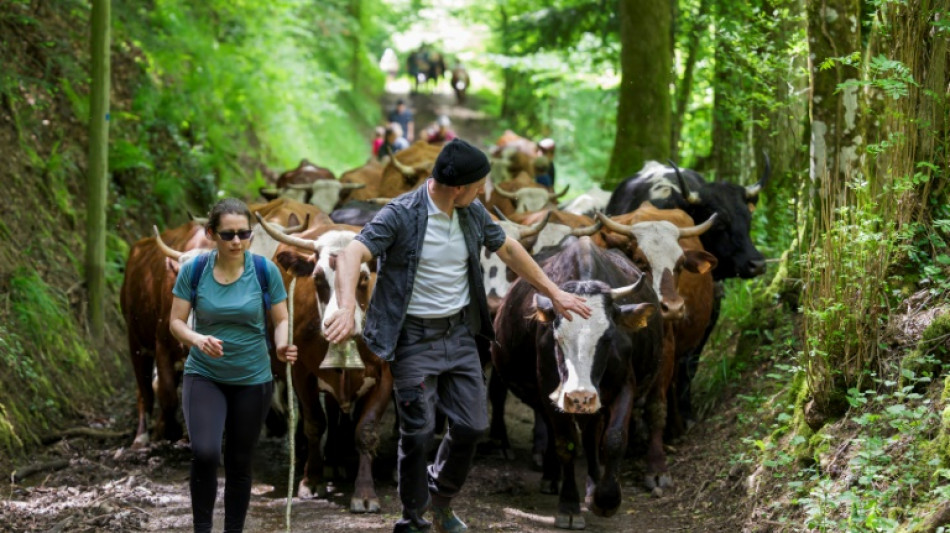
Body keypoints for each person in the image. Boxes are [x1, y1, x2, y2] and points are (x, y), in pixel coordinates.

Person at [324, 138, 591, 533]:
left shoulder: (471, 212)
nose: (483, 191)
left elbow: (509, 249)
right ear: (458, 187)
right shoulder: (401, 213)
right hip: (413, 337)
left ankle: (441, 498)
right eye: (480, 185)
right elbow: (352, 254)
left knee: (471, 426)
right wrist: (346, 306)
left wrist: (554, 291)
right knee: (417, 431)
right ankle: (413, 518)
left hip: (461, 334)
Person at [169, 198, 298, 533]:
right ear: (211, 234)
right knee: (207, 453)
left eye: (244, 233)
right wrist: (197, 339)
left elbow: (281, 318)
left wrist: (283, 344)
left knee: (240, 462)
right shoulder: (194, 270)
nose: (237, 241)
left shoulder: (265, 270)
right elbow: (176, 322)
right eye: (228, 235)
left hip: (253, 379)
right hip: (204, 375)